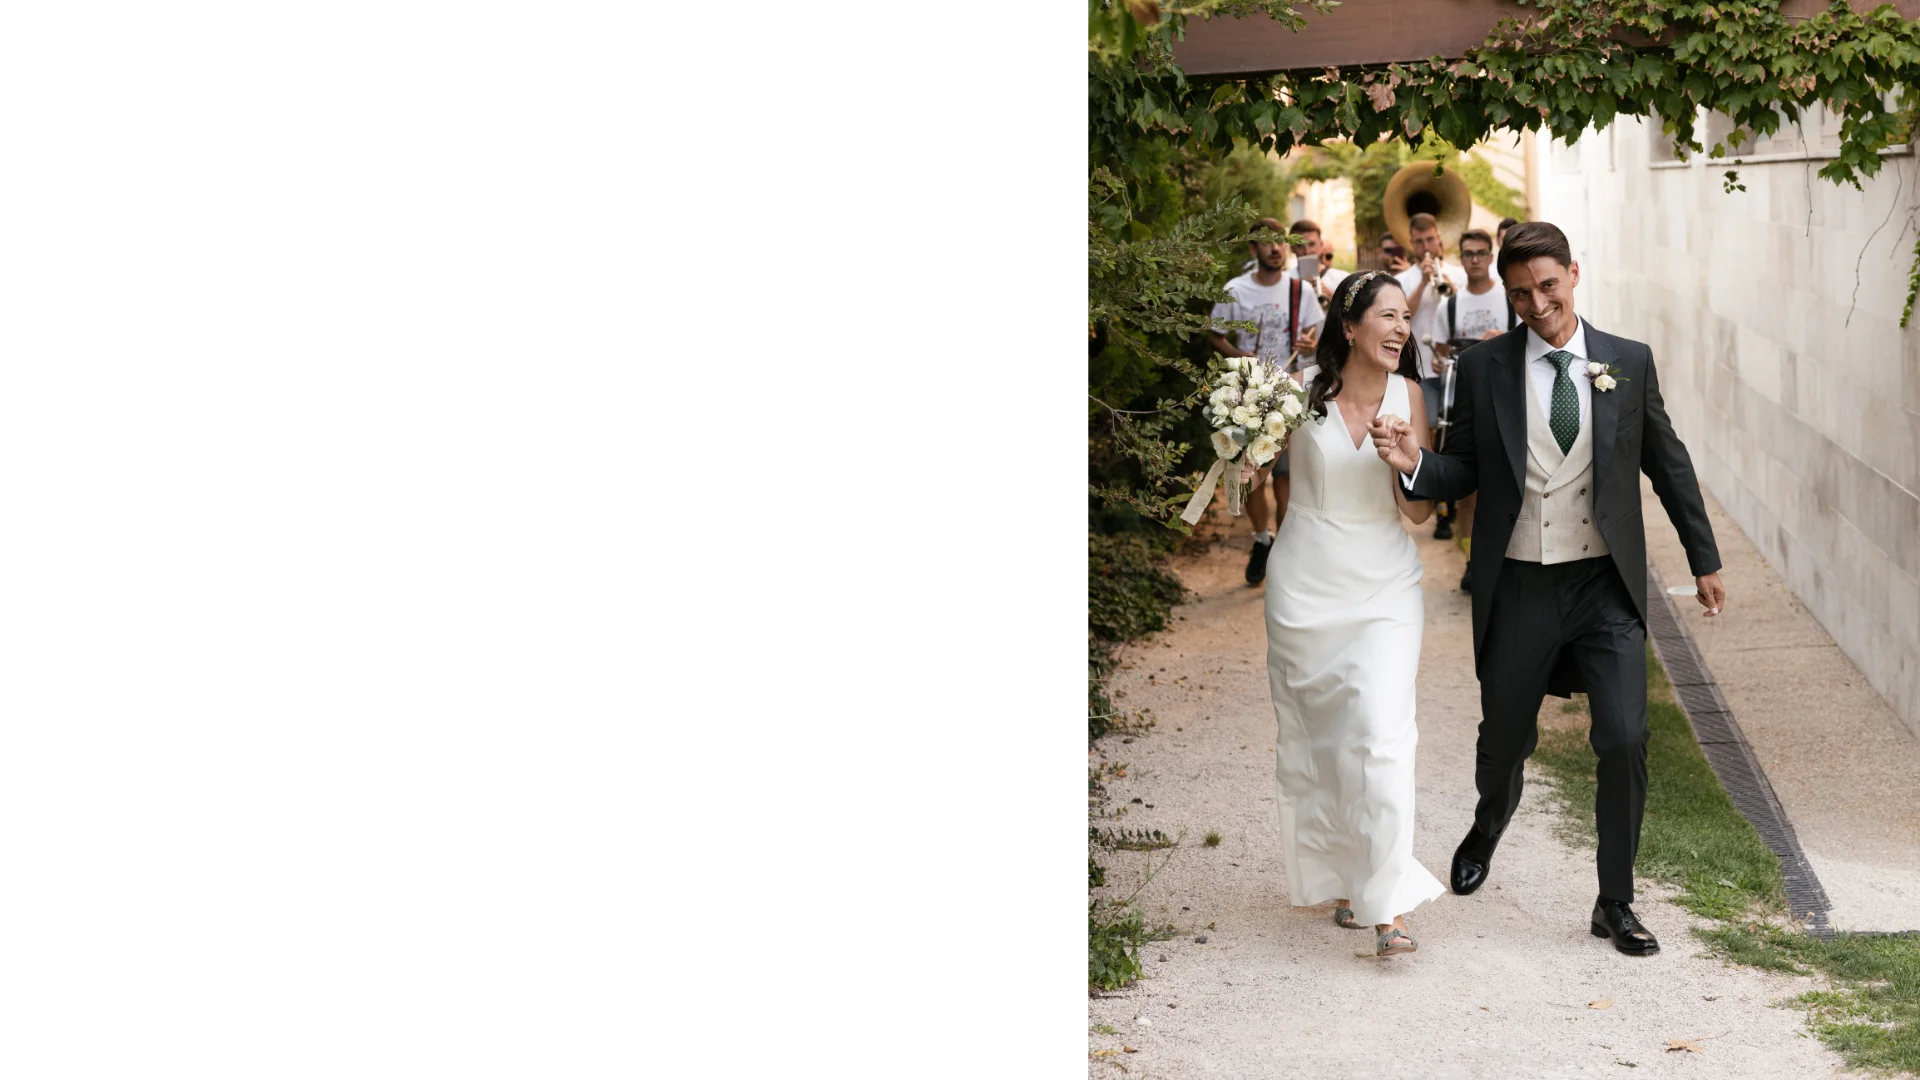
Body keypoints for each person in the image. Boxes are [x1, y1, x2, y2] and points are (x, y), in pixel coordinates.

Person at [1370, 222, 1728, 957]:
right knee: (1503, 742)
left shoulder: (1627, 360)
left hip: (1605, 585)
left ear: (1574, 273)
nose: (1537, 305)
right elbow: (1461, 469)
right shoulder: (1487, 368)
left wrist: (1704, 557)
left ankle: (1615, 901)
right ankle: (1490, 816)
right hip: (1523, 585)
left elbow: (1668, 462)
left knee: (1626, 738)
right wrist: (1414, 462)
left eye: (1548, 286)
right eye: (1521, 293)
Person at [1241, 270, 1442, 957]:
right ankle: (1345, 878)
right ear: (1349, 328)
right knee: (1324, 741)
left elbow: (1417, 513)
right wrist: (1244, 468)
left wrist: (1408, 460)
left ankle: (1389, 909)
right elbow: (1257, 480)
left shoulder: (1410, 395)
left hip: (1385, 588)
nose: (1399, 330)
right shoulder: (1297, 396)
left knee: (1383, 735)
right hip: (1306, 585)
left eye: (1405, 319)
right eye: (1386, 317)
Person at [1209, 219, 1325, 585]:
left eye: (1281, 243)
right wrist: (1238, 354)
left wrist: (1311, 346)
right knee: (1250, 473)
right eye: (1267, 243)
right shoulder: (1235, 290)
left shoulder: (1300, 291)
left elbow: (1317, 338)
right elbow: (1214, 336)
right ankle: (1262, 539)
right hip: (1248, 395)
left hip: (1291, 395)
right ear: (1252, 250)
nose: (1276, 248)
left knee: (1287, 475)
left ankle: (1285, 551)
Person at [1430, 228, 1521, 592]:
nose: (1475, 260)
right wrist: (1442, 363)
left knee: (1509, 483)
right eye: (1468, 253)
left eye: (1482, 253)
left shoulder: (1510, 300)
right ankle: (1471, 561)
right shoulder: (1448, 305)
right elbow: (1439, 351)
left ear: (1491, 255)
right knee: (1470, 487)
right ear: (1461, 256)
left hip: (1508, 398)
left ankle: (1507, 559)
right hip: (1467, 403)